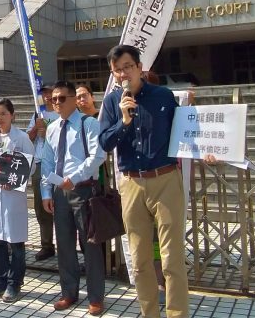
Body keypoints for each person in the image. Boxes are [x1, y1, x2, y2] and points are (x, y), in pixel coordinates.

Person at [98, 44, 189, 318]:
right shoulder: (112, 103)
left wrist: (205, 150)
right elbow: (105, 142)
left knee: (172, 258)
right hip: (132, 184)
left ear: (139, 67)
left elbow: (184, 132)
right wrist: (123, 122)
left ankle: (177, 314)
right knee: (139, 260)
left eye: (127, 67)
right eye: (117, 70)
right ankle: (149, 313)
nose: (123, 74)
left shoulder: (163, 96)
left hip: (165, 179)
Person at [40, 80, 106, 316]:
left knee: (90, 245)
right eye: (53, 99)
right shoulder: (52, 128)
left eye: (61, 98)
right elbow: (47, 162)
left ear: (73, 100)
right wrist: (46, 192)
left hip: (84, 190)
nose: (56, 103)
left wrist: (75, 177)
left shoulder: (89, 124)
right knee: (64, 244)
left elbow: (97, 156)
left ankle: (96, 297)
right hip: (60, 192)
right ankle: (68, 292)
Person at [0, 98, 36, 303]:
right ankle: (0, 281)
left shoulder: (21, 138)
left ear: (12, 115)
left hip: (13, 196)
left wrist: (14, 181)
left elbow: (31, 166)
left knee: (16, 243)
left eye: (3, 113)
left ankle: (15, 283)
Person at [26, 84, 59, 261]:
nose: (47, 96)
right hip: (39, 164)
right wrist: (35, 128)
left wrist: (48, 133)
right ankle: (46, 245)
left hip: (59, 164)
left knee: (61, 205)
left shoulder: (62, 113)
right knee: (41, 206)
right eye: (44, 93)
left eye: (50, 93)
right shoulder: (37, 114)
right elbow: (27, 139)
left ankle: (65, 245)